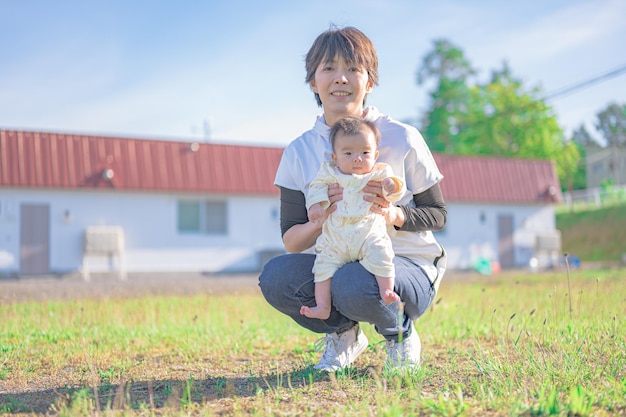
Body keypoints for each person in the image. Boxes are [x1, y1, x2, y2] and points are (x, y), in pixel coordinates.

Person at [259, 25, 447, 372]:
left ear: (369, 81)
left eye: (353, 68)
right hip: (337, 260)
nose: (340, 78)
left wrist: (394, 214)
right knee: (275, 276)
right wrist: (320, 218)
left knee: (354, 281)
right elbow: (291, 240)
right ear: (313, 83)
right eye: (328, 68)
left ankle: (401, 335)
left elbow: (437, 214)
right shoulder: (299, 152)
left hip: (406, 266)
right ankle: (344, 335)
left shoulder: (402, 137)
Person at [301, 116, 405, 320]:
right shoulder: (329, 172)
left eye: (364, 153)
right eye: (348, 153)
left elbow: (395, 191)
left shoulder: (379, 172)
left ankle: (386, 290)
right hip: (335, 240)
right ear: (335, 157)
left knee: (382, 253)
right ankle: (322, 306)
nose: (357, 158)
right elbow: (317, 187)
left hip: (368, 235)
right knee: (322, 267)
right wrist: (315, 205)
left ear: (375, 155)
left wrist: (393, 186)